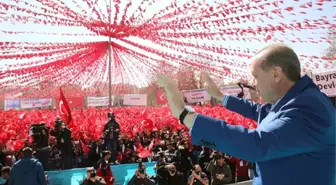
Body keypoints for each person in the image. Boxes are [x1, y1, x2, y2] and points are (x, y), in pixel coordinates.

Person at [157, 43, 336, 185]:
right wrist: (220, 96)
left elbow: (257, 143)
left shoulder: (309, 108)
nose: (253, 83)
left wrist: (184, 115)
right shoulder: (295, 101)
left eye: (256, 76)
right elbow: (259, 111)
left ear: (276, 74)